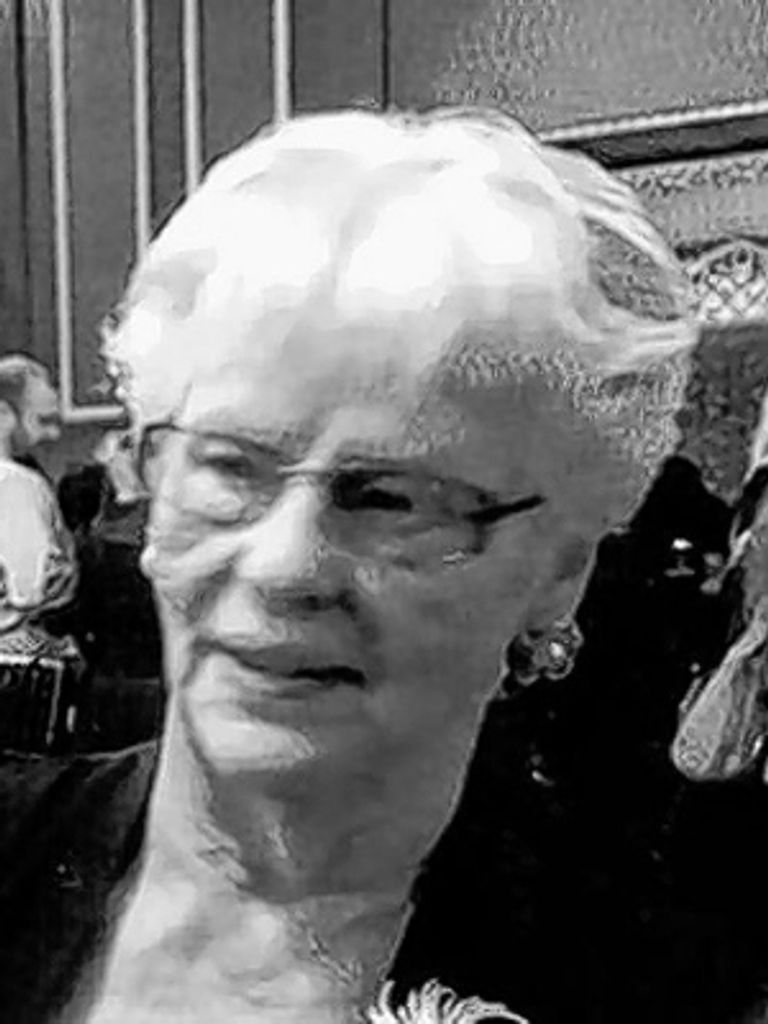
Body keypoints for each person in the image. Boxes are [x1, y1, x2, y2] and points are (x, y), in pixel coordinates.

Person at [17, 109, 694, 1023]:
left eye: (391, 500)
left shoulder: (661, 984)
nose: (283, 565)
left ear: (559, 572)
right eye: (229, 469)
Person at [0, 355, 79, 752]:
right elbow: (29, 590)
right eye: (41, 421)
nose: (53, 435)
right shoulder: (17, 485)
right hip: (16, 681)